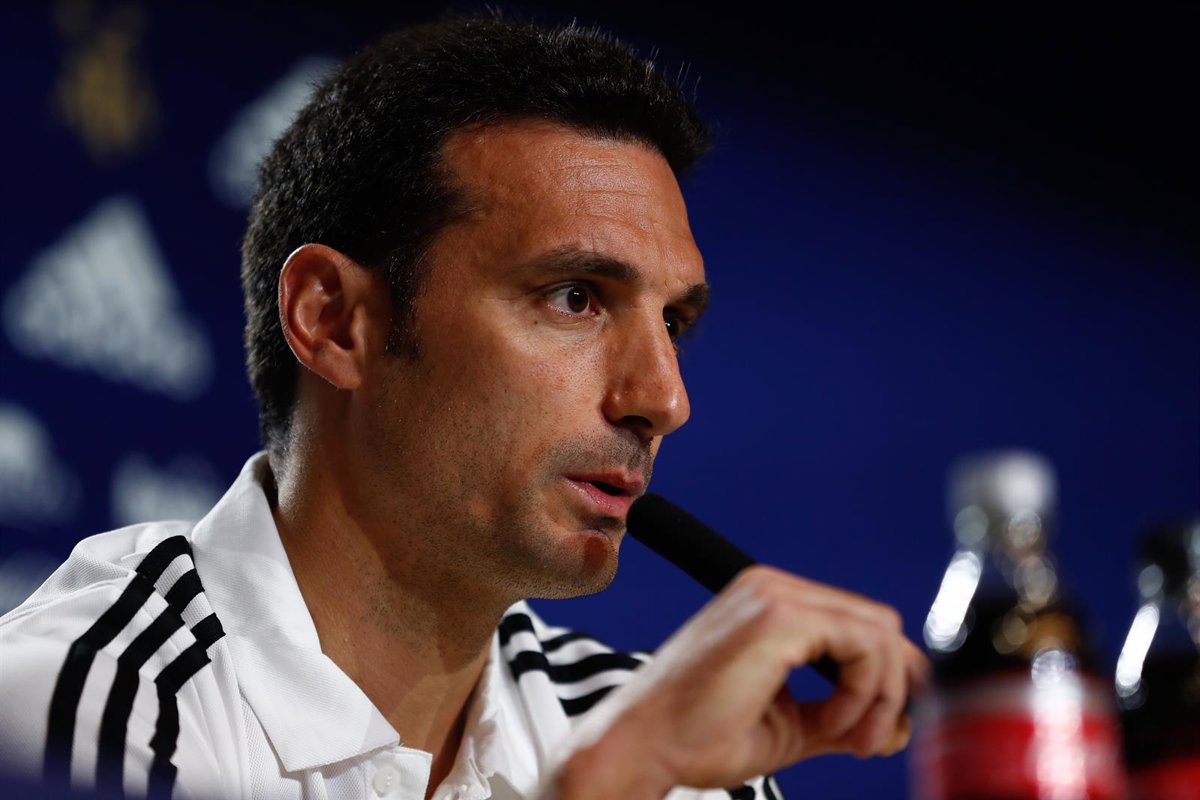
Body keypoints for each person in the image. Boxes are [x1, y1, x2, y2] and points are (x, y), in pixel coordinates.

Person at [0, 16, 927, 800]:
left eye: (674, 323)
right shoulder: (81, 708)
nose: (663, 399)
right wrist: (608, 783)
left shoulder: (684, 767)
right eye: (575, 297)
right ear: (335, 321)